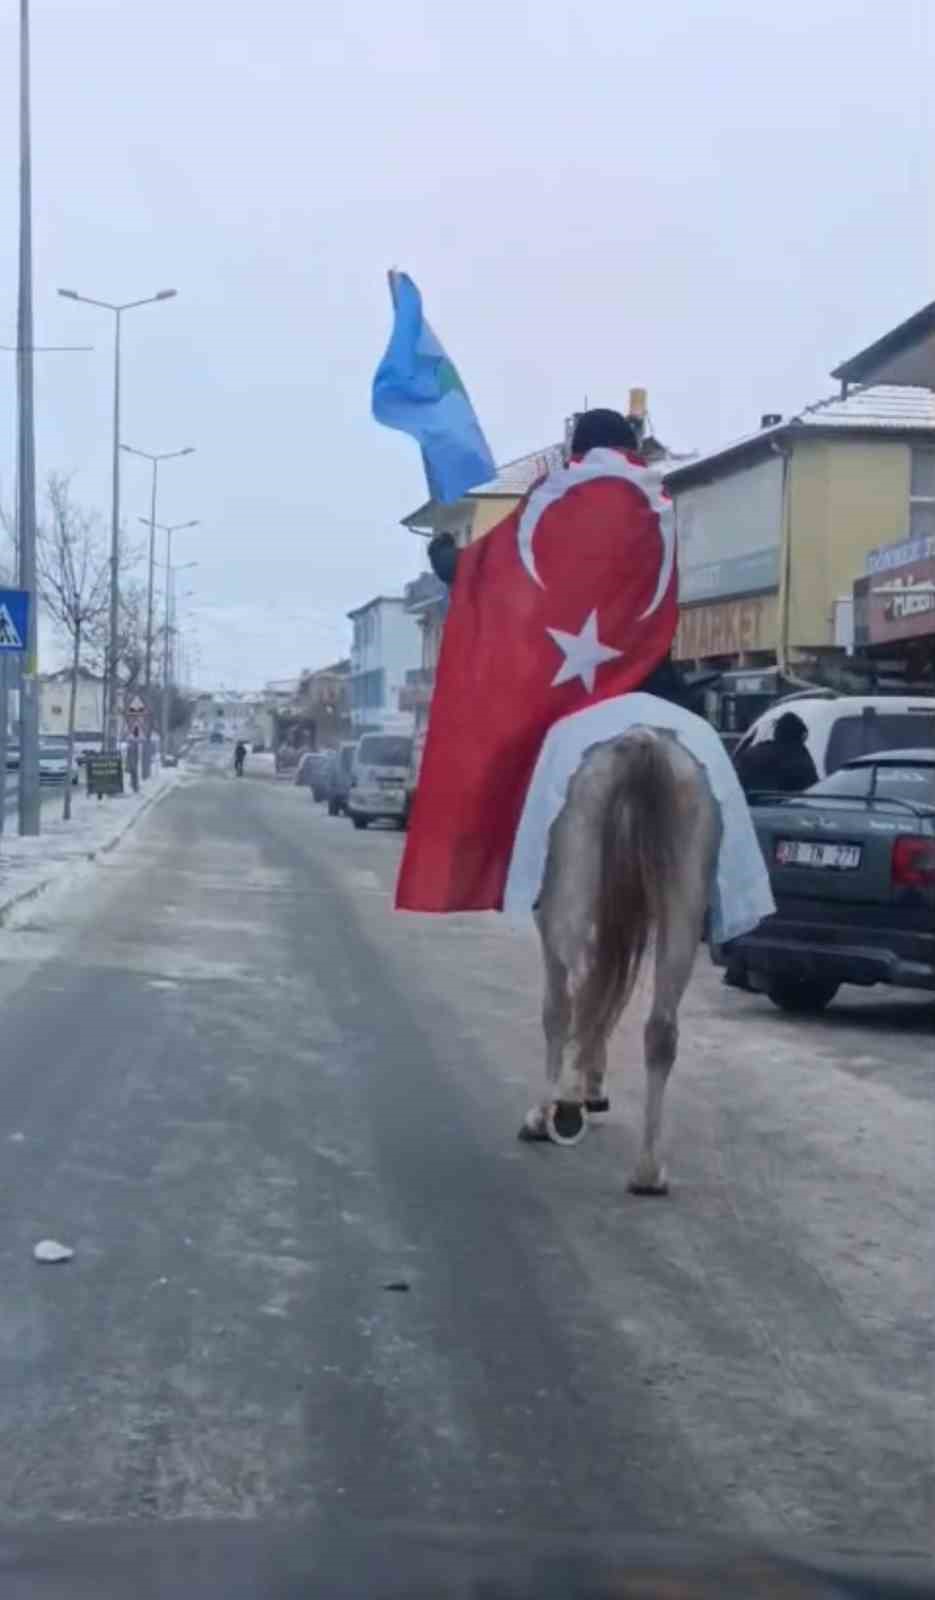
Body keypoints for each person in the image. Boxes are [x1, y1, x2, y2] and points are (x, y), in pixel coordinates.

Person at [426, 407, 700, 714]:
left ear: (576, 450)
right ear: (631, 448)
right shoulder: (656, 500)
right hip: (649, 674)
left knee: (520, 745)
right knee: (697, 736)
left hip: (568, 678)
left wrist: (445, 553)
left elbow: (500, 563)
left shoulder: (553, 496)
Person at [734, 710, 818, 796]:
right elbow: (814, 791)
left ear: (776, 731)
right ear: (800, 736)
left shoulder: (751, 754)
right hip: (790, 807)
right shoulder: (800, 757)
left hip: (751, 807)